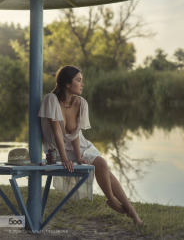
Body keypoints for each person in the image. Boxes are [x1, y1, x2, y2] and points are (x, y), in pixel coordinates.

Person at [38, 65, 143, 225]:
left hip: (80, 146)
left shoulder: (80, 103)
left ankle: (126, 209)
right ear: (67, 83)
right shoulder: (51, 100)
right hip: (58, 150)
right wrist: (65, 159)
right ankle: (124, 209)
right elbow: (57, 133)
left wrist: (79, 157)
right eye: (78, 80)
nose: (82, 84)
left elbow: (75, 134)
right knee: (103, 168)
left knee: (102, 164)